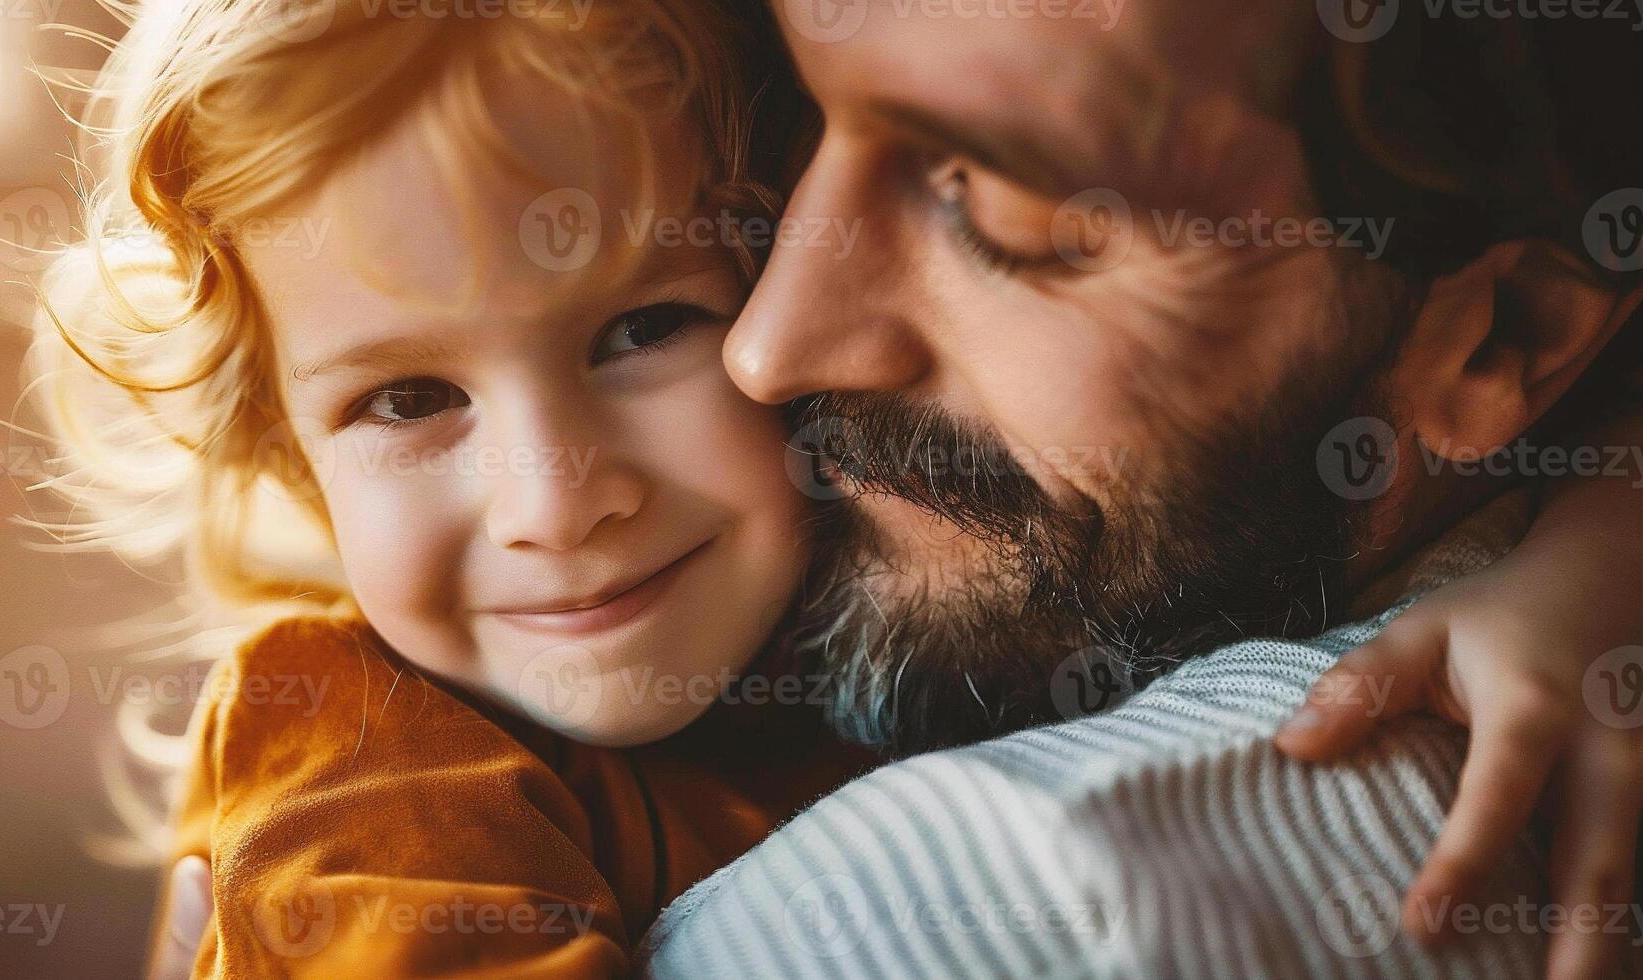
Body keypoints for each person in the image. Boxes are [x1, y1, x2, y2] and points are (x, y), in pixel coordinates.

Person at [637, 1, 1643, 978]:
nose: (764, 349)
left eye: (1001, 215)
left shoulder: (955, 914)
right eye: (796, 114)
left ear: (1500, 337)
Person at [29, 1, 869, 975]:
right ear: (292, 456)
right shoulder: (352, 737)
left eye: (644, 330)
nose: (554, 503)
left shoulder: (907, 638)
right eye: (410, 398)